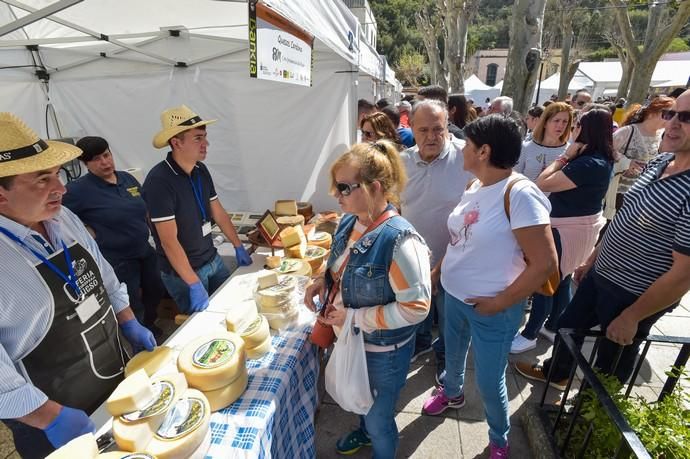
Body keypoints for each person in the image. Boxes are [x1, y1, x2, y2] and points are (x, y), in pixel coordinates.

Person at [0, 113, 155, 458]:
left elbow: (104, 272)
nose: (62, 188)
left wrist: (128, 318)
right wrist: (49, 417)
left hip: (115, 379)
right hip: (54, 417)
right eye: (42, 180)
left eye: (57, 174)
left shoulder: (63, 218)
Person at [515, 90, 690, 387]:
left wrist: (633, 315)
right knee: (569, 327)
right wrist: (593, 260)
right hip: (600, 274)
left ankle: (589, 421)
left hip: (634, 293)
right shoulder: (662, 162)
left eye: (686, 118)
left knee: (610, 362)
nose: (672, 123)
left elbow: (683, 274)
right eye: (671, 113)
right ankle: (556, 375)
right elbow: (624, 219)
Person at [422, 115, 557, 459]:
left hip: (493, 308)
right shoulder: (474, 185)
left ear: (483, 151)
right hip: (452, 295)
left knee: (489, 379)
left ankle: (499, 439)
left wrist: (500, 303)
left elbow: (545, 265)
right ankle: (451, 393)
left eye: (466, 145)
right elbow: (459, 241)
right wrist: (438, 274)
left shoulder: (521, 193)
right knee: (452, 355)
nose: (461, 150)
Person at [305, 140, 431, 458]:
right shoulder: (350, 220)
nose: (337, 194)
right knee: (360, 401)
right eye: (336, 186)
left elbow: (417, 308)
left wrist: (353, 318)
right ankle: (363, 431)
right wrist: (322, 278)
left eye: (345, 187)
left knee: (379, 420)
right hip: (353, 340)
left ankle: (378, 443)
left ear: (375, 187)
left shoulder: (400, 241)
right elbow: (341, 261)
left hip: (382, 353)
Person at [511, 108, 614, 354]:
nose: (572, 130)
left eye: (577, 125)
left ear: (587, 130)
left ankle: (530, 333)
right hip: (572, 228)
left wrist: (564, 157)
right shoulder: (599, 159)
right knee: (562, 280)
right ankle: (554, 326)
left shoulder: (589, 163)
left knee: (545, 281)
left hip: (567, 231)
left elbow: (543, 182)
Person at [143, 105, 252, 315]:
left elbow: (218, 211)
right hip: (185, 273)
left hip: (212, 259)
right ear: (176, 142)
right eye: (198, 138)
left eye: (205, 137)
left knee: (233, 311)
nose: (206, 143)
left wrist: (238, 245)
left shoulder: (200, 169)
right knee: (205, 327)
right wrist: (192, 283)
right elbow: (168, 241)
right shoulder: (159, 182)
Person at [400, 99, 473, 378]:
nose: (431, 137)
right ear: (412, 129)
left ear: (447, 127)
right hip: (412, 257)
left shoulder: (465, 157)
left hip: (453, 258)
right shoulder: (402, 162)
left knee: (448, 318)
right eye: (423, 130)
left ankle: (446, 360)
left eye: (438, 129)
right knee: (416, 308)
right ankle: (420, 345)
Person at [63, 136, 164, 337]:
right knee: (131, 301)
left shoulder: (127, 179)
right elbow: (60, 218)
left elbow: (145, 208)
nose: (105, 162)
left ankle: (149, 325)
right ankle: (138, 340)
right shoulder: (78, 190)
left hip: (144, 250)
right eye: (96, 159)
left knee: (156, 289)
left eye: (106, 155)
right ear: (85, 163)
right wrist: (87, 230)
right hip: (118, 260)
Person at [603, 96, 674, 223]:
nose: (670, 120)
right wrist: (626, 162)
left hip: (641, 195)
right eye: (667, 114)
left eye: (674, 115)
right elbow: (604, 151)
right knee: (608, 228)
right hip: (616, 192)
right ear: (652, 113)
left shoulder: (662, 135)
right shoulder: (628, 131)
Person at [515, 102, 572, 182]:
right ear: (545, 123)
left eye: (565, 121)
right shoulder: (526, 147)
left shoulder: (570, 151)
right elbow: (515, 177)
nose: (560, 125)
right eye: (556, 120)